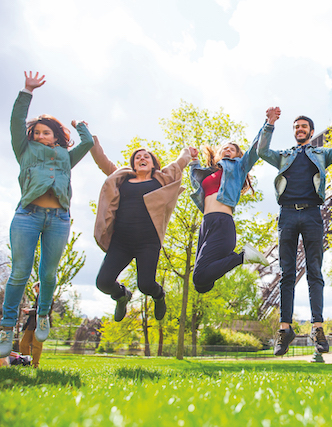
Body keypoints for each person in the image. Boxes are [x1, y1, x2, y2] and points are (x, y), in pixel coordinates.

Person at [0, 72, 94, 358]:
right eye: (36, 132)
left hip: (58, 219)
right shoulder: (24, 150)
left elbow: (87, 144)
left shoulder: (66, 157)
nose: (40, 135)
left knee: (48, 273)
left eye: (45, 132)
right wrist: (27, 91)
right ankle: (6, 327)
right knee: (19, 272)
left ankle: (43, 315)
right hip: (27, 216)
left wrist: (80, 127)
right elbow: (17, 121)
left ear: (56, 136)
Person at [259, 112, 332, 356]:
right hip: (286, 214)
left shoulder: (322, 154)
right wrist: (270, 124)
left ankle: (317, 327)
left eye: (304, 126)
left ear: (310, 130)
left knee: (314, 272)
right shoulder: (285, 155)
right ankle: (285, 329)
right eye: (296, 126)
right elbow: (263, 150)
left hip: (312, 214)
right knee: (287, 273)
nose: (299, 129)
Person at [91, 136, 196, 322]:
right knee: (103, 283)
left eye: (146, 156)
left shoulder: (161, 179)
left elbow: (179, 163)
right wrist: (91, 140)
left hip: (148, 241)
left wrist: (188, 152)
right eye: (137, 157)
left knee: (146, 285)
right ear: (133, 164)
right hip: (121, 241)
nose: (141, 158)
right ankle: (122, 296)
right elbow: (102, 161)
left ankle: (159, 295)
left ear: (153, 163)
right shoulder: (121, 178)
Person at [189, 110, 277, 294]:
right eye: (225, 148)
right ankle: (238, 257)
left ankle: (243, 256)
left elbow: (255, 149)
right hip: (206, 224)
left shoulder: (239, 167)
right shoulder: (209, 173)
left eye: (233, 148)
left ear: (238, 155)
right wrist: (194, 161)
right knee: (201, 285)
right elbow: (196, 185)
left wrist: (268, 123)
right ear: (218, 154)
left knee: (199, 276)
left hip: (222, 223)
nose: (228, 149)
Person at [19, 282, 44, 368]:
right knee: (23, 344)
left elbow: (42, 311)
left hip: (40, 324)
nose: (35, 290)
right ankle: (25, 361)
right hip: (31, 324)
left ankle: (35, 364)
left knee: (37, 345)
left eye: (36, 288)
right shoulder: (38, 297)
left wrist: (29, 311)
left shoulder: (47, 298)